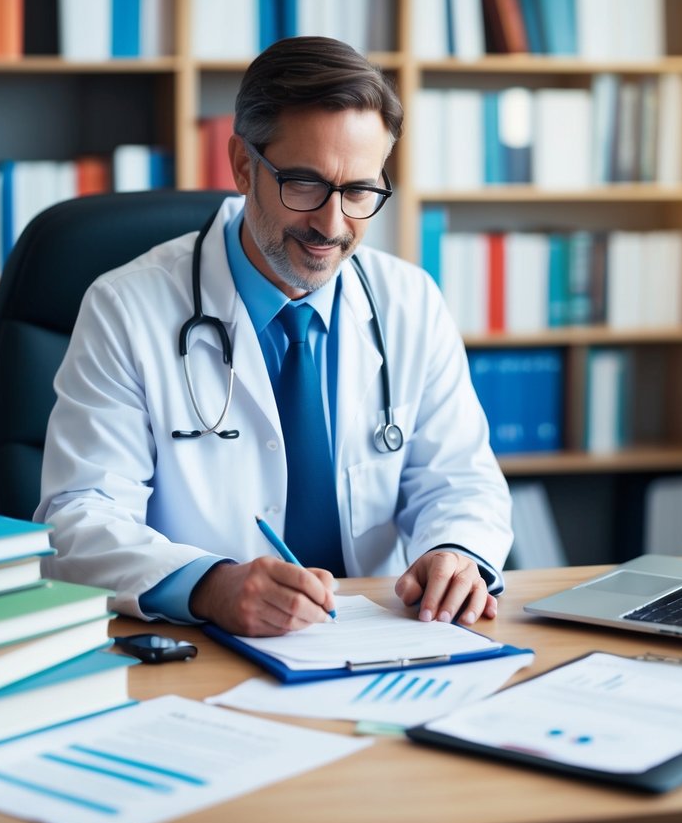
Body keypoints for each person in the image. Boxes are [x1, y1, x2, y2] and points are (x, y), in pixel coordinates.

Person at [36, 36, 513, 637]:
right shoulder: (126, 308)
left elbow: (461, 480)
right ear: (242, 165)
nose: (333, 225)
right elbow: (78, 518)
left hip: (383, 644)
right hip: (203, 649)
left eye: (360, 191)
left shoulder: (410, 302)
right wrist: (210, 585)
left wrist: (456, 551)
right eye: (304, 185)